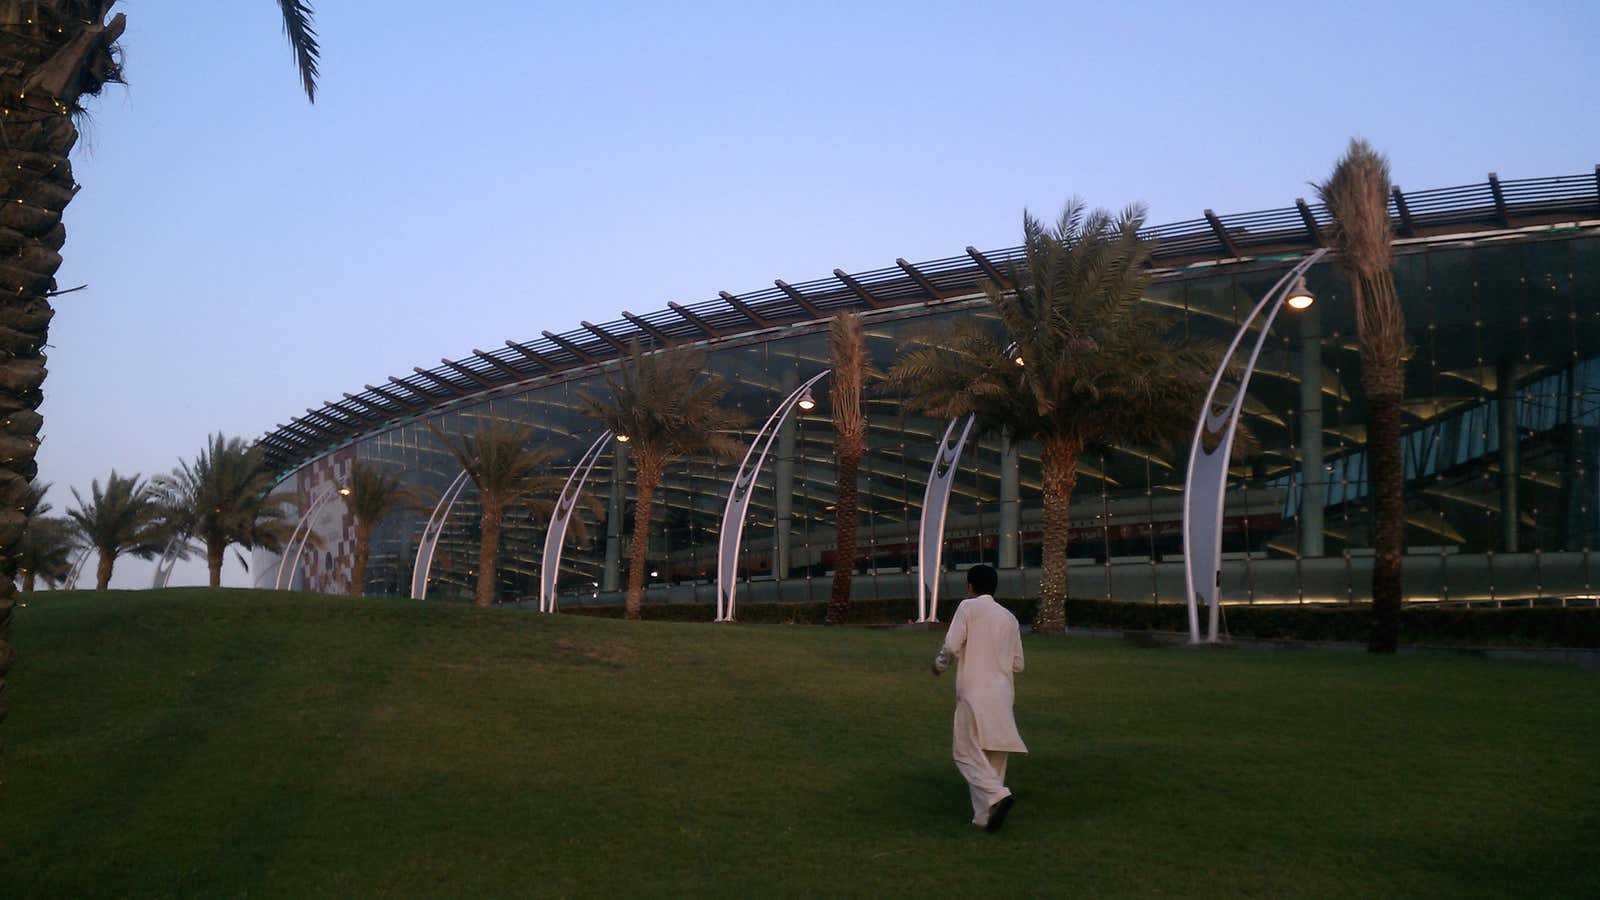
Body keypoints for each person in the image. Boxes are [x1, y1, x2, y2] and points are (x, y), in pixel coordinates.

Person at [931, 563, 1026, 833]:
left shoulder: (968, 607)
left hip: (973, 692)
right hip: (1003, 694)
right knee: (993, 756)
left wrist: (939, 665)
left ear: (971, 586)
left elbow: (950, 645)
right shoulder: (1009, 618)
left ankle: (997, 795)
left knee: (964, 752)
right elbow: (1018, 664)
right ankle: (983, 818)